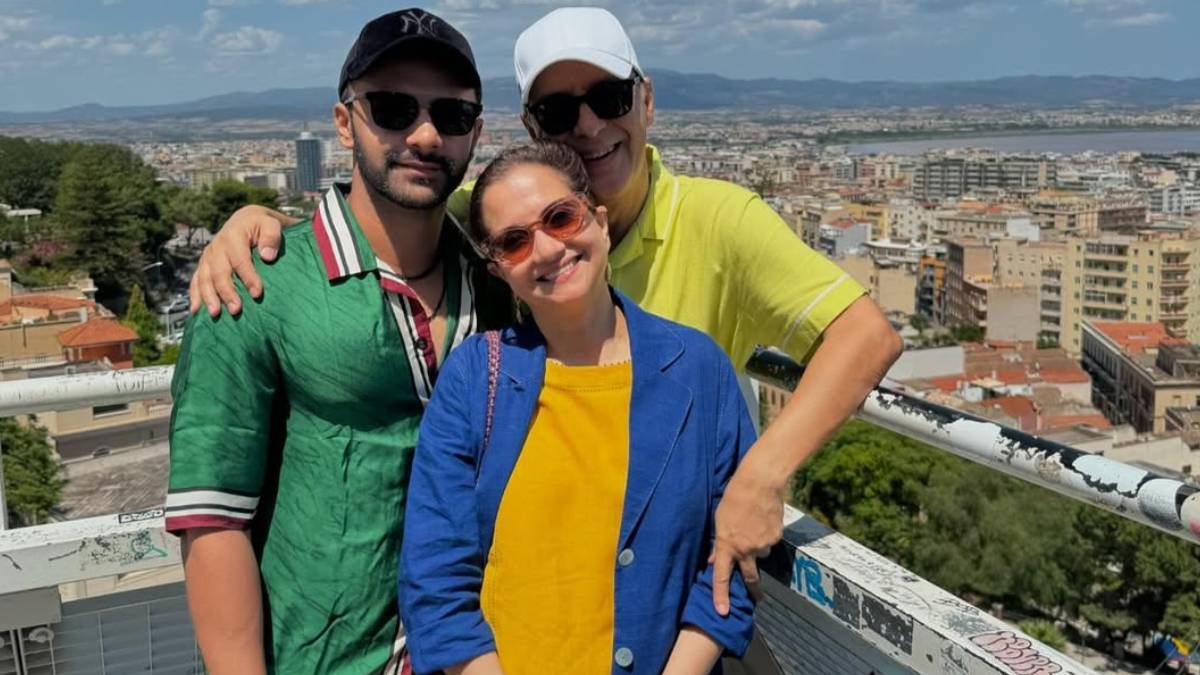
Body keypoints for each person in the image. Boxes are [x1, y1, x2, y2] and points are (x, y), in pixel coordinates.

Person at [188, 6, 903, 614]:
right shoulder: (495, 223)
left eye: (610, 97)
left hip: (664, 582)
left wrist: (761, 477)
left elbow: (866, 336)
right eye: (560, 112)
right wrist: (257, 223)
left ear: (647, 101)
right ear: (533, 130)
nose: (589, 126)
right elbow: (386, 209)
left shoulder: (720, 220)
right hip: (533, 586)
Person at [163, 9, 509, 674]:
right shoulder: (254, 284)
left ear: (476, 133)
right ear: (345, 122)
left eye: (452, 115)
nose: (426, 135)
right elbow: (212, 517)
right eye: (393, 109)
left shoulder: (498, 284)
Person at [401, 140, 756, 675]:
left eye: (560, 218)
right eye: (515, 242)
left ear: (601, 222)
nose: (546, 249)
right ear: (498, 269)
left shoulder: (698, 371)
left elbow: (729, 565)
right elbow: (435, 574)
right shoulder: (474, 379)